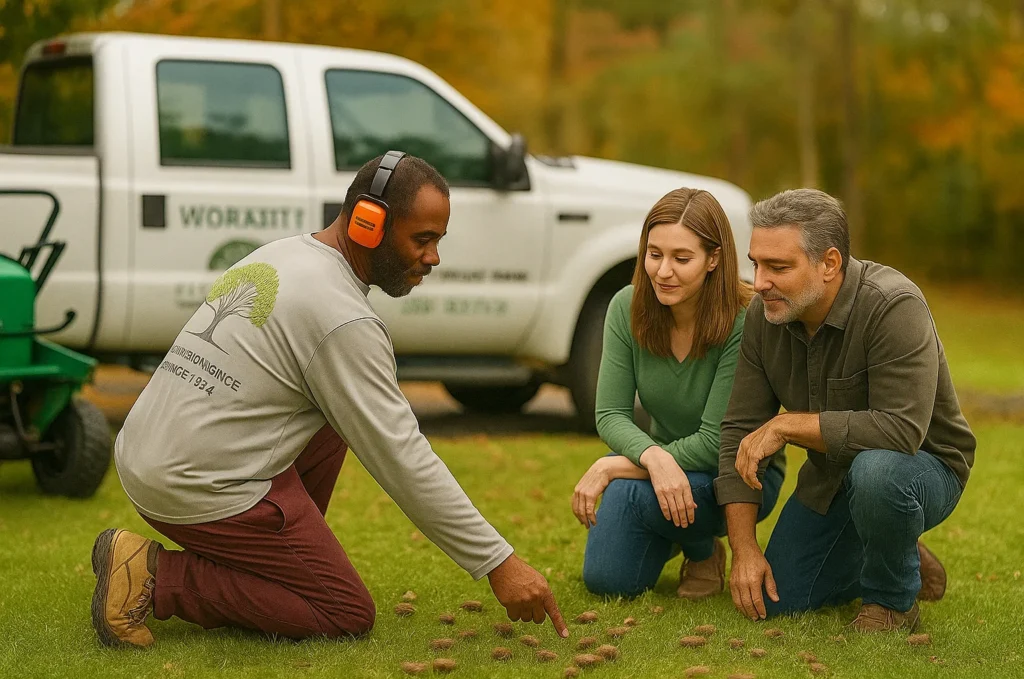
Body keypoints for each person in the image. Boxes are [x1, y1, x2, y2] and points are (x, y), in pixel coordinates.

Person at [91, 152, 568, 648]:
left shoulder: (283, 254)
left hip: (146, 455)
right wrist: (498, 563)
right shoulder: (342, 319)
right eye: (422, 239)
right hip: (193, 484)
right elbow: (401, 456)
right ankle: (153, 573)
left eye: (438, 241)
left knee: (334, 417)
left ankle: (272, 567)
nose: (434, 257)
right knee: (341, 610)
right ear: (368, 224)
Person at [716, 188, 976, 632]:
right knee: (776, 602)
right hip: (832, 478)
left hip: (922, 469)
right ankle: (892, 545)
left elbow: (901, 432)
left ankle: (891, 603)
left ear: (829, 263)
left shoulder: (894, 305)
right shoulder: (765, 315)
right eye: (757, 263)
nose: (759, 282)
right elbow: (740, 428)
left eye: (779, 267)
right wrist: (744, 549)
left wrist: (786, 424)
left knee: (877, 474)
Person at [573, 188, 785, 599]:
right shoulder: (625, 306)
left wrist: (614, 467)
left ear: (714, 259)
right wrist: (651, 457)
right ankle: (694, 546)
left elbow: (715, 444)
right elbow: (611, 414)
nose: (663, 271)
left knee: (631, 492)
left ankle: (699, 544)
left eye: (681, 258)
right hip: (661, 468)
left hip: (734, 478)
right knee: (608, 580)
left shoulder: (746, 319)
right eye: (655, 254)